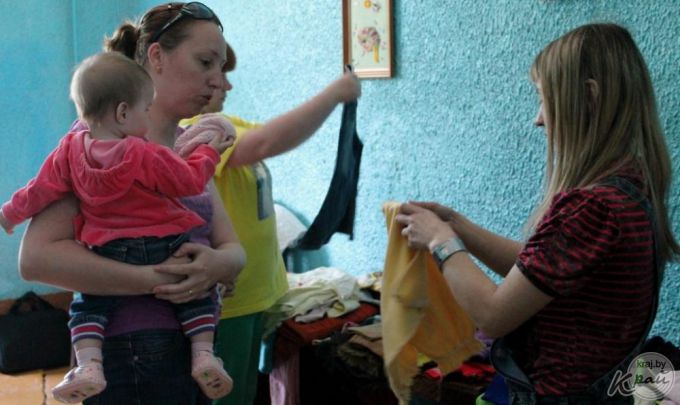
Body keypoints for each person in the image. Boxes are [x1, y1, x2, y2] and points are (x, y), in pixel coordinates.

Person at [396, 23, 679, 404]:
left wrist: (440, 241)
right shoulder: (630, 187)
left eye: (545, 100)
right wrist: (457, 225)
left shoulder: (591, 207)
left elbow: (492, 315)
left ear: (589, 98)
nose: (538, 118)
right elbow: (540, 272)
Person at [17, 1, 246, 405]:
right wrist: (155, 279)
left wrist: (218, 265)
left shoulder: (190, 144)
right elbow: (36, 259)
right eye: (206, 62)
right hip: (129, 355)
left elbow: (230, 246)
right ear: (156, 56)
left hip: (193, 349)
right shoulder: (95, 145)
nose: (219, 81)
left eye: (221, 68)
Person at [181, 43, 361, 405]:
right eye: (214, 70)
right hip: (230, 302)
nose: (227, 85)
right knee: (227, 398)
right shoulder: (194, 132)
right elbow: (266, 142)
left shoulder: (228, 125)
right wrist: (334, 94)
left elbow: (274, 135)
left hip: (256, 293)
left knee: (246, 394)